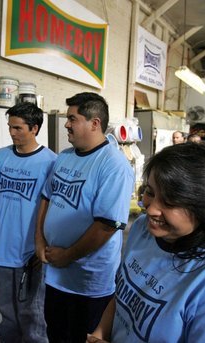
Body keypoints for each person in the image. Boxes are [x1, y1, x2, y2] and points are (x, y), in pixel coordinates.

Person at [88, 142, 205, 342]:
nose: (151, 210)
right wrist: (100, 333)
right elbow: (122, 296)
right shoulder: (143, 229)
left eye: (169, 201)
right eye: (150, 192)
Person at [35, 92, 135, 342]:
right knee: (56, 333)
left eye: (72, 118)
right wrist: (39, 240)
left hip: (88, 282)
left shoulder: (113, 165)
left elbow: (107, 225)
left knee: (81, 336)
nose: (67, 124)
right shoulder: (65, 156)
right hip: (55, 274)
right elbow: (47, 197)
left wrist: (67, 255)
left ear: (94, 123)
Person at [0, 102, 56, 342]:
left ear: (34, 128)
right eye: (10, 127)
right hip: (4, 244)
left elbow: (51, 209)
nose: (12, 133)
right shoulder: (2, 155)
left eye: (18, 128)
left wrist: (42, 245)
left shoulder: (50, 162)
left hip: (30, 250)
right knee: (6, 306)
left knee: (32, 309)